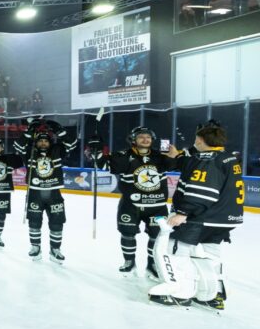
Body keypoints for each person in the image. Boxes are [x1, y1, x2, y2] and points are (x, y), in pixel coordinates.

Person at [149, 121, 243, 308]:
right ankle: (211, 295)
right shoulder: (227, 157)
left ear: (200, 140)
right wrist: (177, 156)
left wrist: (183, 213)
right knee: (209, 256)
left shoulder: (208, 160)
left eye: (196, 139)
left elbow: (202, 190)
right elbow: (191, 164)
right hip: (223, 220)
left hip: (200, 218)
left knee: (176, 251)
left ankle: (180, 293)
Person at [88, 126, 185, 277]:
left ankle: (152, 264)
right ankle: (129, 262)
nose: (145, 140)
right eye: (141, 137)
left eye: (148, 137)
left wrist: (175, 156)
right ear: (133, 140)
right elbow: (101, 164)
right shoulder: (123, 156)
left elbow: (181, 166)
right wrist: (96, 149)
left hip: (157, 207)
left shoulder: (161, 156)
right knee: (127, 234)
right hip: (131, 206)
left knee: (156, 236)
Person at [14, 118, 79, 263]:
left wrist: (59, 130)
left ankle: (55, 250)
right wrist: (29, 131)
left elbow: (72, 143)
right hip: (35, 194)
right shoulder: (29, 152)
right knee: (34, 222)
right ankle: (35, 247)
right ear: (36, 142)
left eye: (46, 141)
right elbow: (18, 145)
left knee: (57, 223)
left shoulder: (57, 151)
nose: (43, 143)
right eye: (40, 141)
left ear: (50, 142)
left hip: (54, 194)